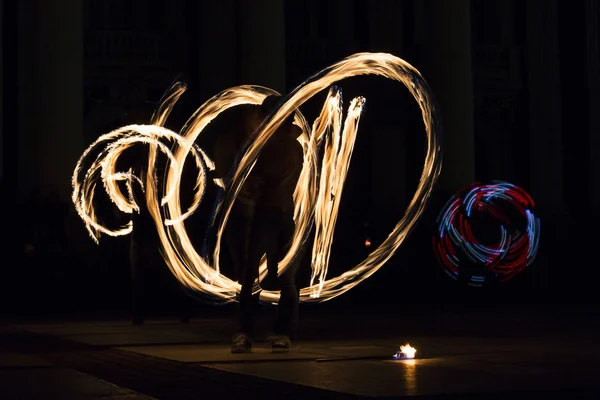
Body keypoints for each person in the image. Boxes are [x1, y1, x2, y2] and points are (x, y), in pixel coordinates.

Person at [230, 95, 306, 353]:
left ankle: (268, 332)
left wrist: (255, 182)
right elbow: (248, 181)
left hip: (277, 215)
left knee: (278, 278)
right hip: (269, 214)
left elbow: (266, 179)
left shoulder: (283, 146)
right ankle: (256, 332)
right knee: (258, 276)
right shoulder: (267, 145)